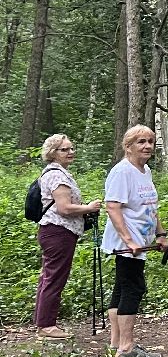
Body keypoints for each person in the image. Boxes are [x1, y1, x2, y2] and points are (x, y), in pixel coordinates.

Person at [102, 125, 168, 357]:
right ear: (128, 146)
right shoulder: (122, 172)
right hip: (127, 243)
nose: (147, 146)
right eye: (141, 142)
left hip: (141, 240)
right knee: (133, 288)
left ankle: (116, 343)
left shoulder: (145, 171)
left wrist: (161, 234)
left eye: (150, 141)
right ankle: (126, 348)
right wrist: (129, 240)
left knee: (122, 288)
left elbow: (150, 208)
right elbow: (112, 207)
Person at [32, 133, 104, 340]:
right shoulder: (56, 175)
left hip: (55, 231)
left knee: (48, 276)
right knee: (54, 277)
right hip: (58, 232)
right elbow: (64, 208)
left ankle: (43, 322)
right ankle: (47, 326)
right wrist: (88, 207)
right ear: (53, 153)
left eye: (72, 148)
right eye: (65, 149)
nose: (71, 152)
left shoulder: (57, 173)